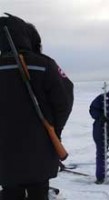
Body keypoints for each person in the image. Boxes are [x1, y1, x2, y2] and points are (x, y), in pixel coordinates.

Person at [0, 13, 73, 200]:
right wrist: (53, 129)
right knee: (39, 193)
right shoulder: (45, 64)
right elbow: (64, 100)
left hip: (5, 157)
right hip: (40, 153)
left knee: (10, 193)